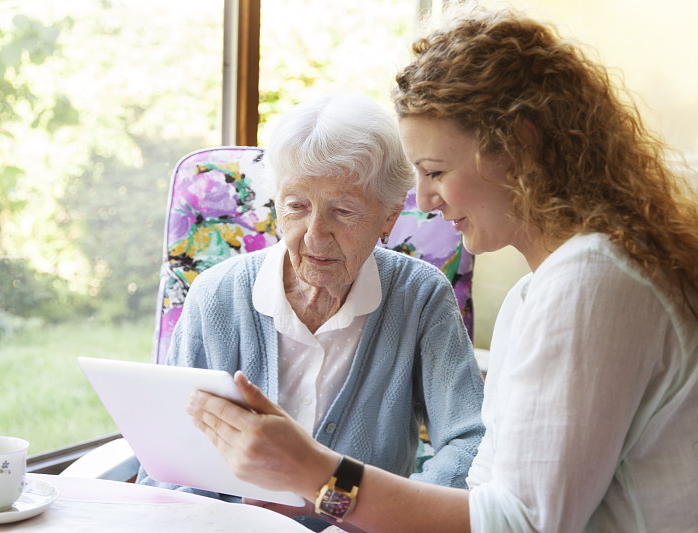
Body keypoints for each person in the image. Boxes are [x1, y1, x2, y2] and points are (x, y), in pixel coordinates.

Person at [185, 5, 698, 532]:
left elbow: (519, 525)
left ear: (521, 147)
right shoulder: (539, 292)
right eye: (296, 206)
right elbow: (486, 497)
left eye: (435, 171)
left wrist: (315, 473)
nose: (424, 201)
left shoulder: (591, 283)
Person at [139, 94, 486, 530]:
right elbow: (168, 467)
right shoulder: (216, 296)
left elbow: (470, 444)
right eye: (296, 206)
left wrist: (370, 517)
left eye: (343, 211)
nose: (315, 236)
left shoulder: (419, 296)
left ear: (389, 217)